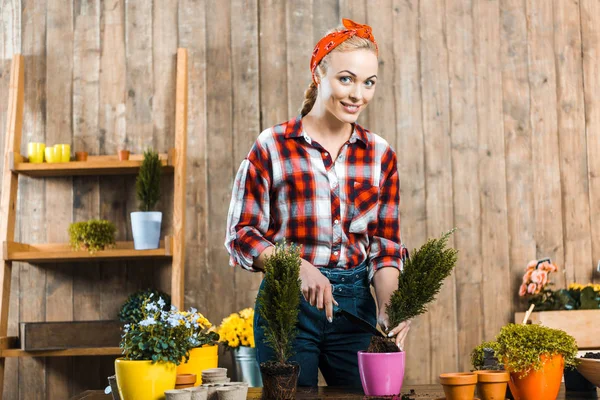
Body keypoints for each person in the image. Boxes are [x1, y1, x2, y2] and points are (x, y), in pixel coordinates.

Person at [224, 18, 410, 387]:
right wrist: (297, 266)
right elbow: (241, 233)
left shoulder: (380, 155)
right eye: (346, 79)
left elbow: (385, 247)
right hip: (287, 308)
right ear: (317, 74)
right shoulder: (272, 146)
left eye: (368, 82)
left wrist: (393, 309)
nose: (358, 94)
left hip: (356, 309)